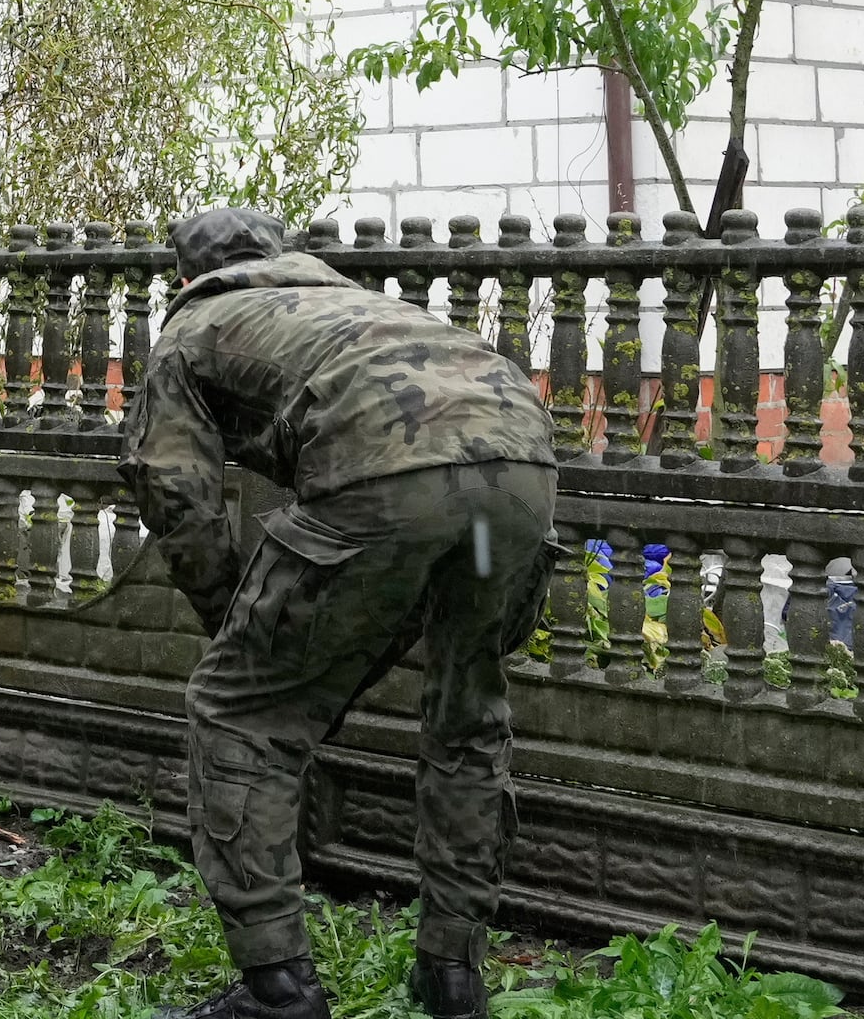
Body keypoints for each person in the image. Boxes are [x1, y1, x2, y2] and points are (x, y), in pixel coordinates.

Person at [122, 208, 559, 1019]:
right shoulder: (354, 304)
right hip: (523, 470)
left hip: (386, 477)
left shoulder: (194, 325)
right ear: (282, 256)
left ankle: (278, 992)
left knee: (238, 715)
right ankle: (453, 978)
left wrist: (228, 614)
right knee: (469, 713)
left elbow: (172, 484)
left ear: (185, 277)